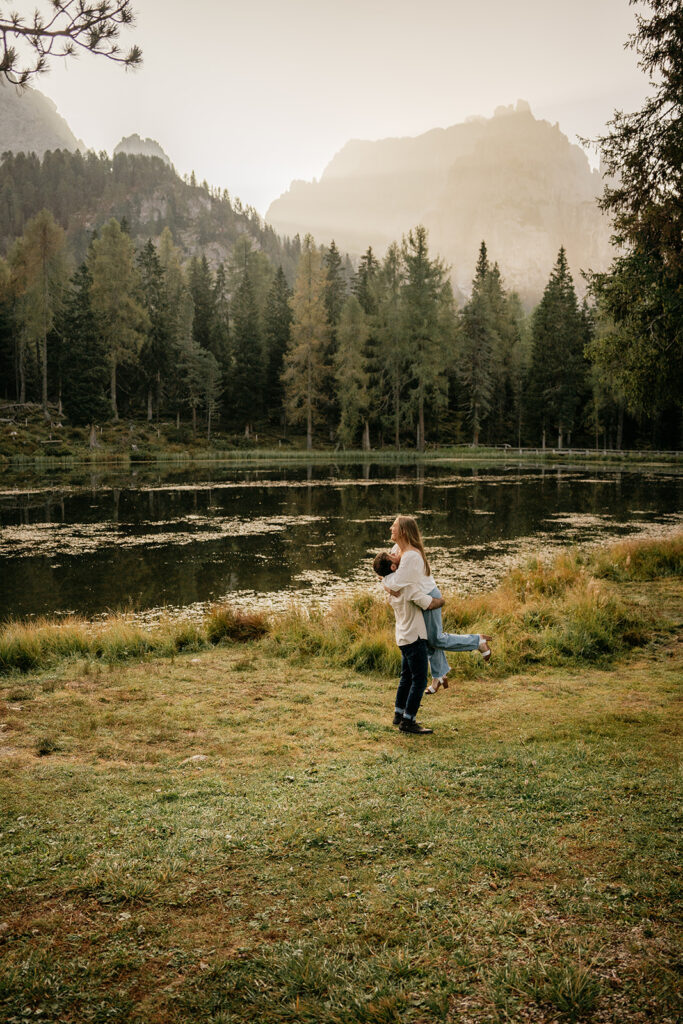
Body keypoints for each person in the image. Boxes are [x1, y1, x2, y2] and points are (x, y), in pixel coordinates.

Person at [381, 515, 492, 692]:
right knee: (427, 639)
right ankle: (439, 675)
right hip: (419, 597)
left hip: (428, 597)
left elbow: (393, 581)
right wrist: (386, 582)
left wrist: (386, 583)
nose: (390, 529)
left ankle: (477, 641)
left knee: (435, 638)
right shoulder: (397, 548)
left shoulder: (410, 556)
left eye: (393, 526)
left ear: (402, 531)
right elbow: (384, 570)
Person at [372, 551, 444, 734]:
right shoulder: (406, 587)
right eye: (391, 554)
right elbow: (428, 603)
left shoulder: (391, 586)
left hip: (402, 637)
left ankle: (398, 713)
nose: (395, 553)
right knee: (419, 680)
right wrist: (442, 600)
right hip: (415, 637)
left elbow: (386, 581)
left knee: (406, 677)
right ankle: (408, 720)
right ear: (394, 567)